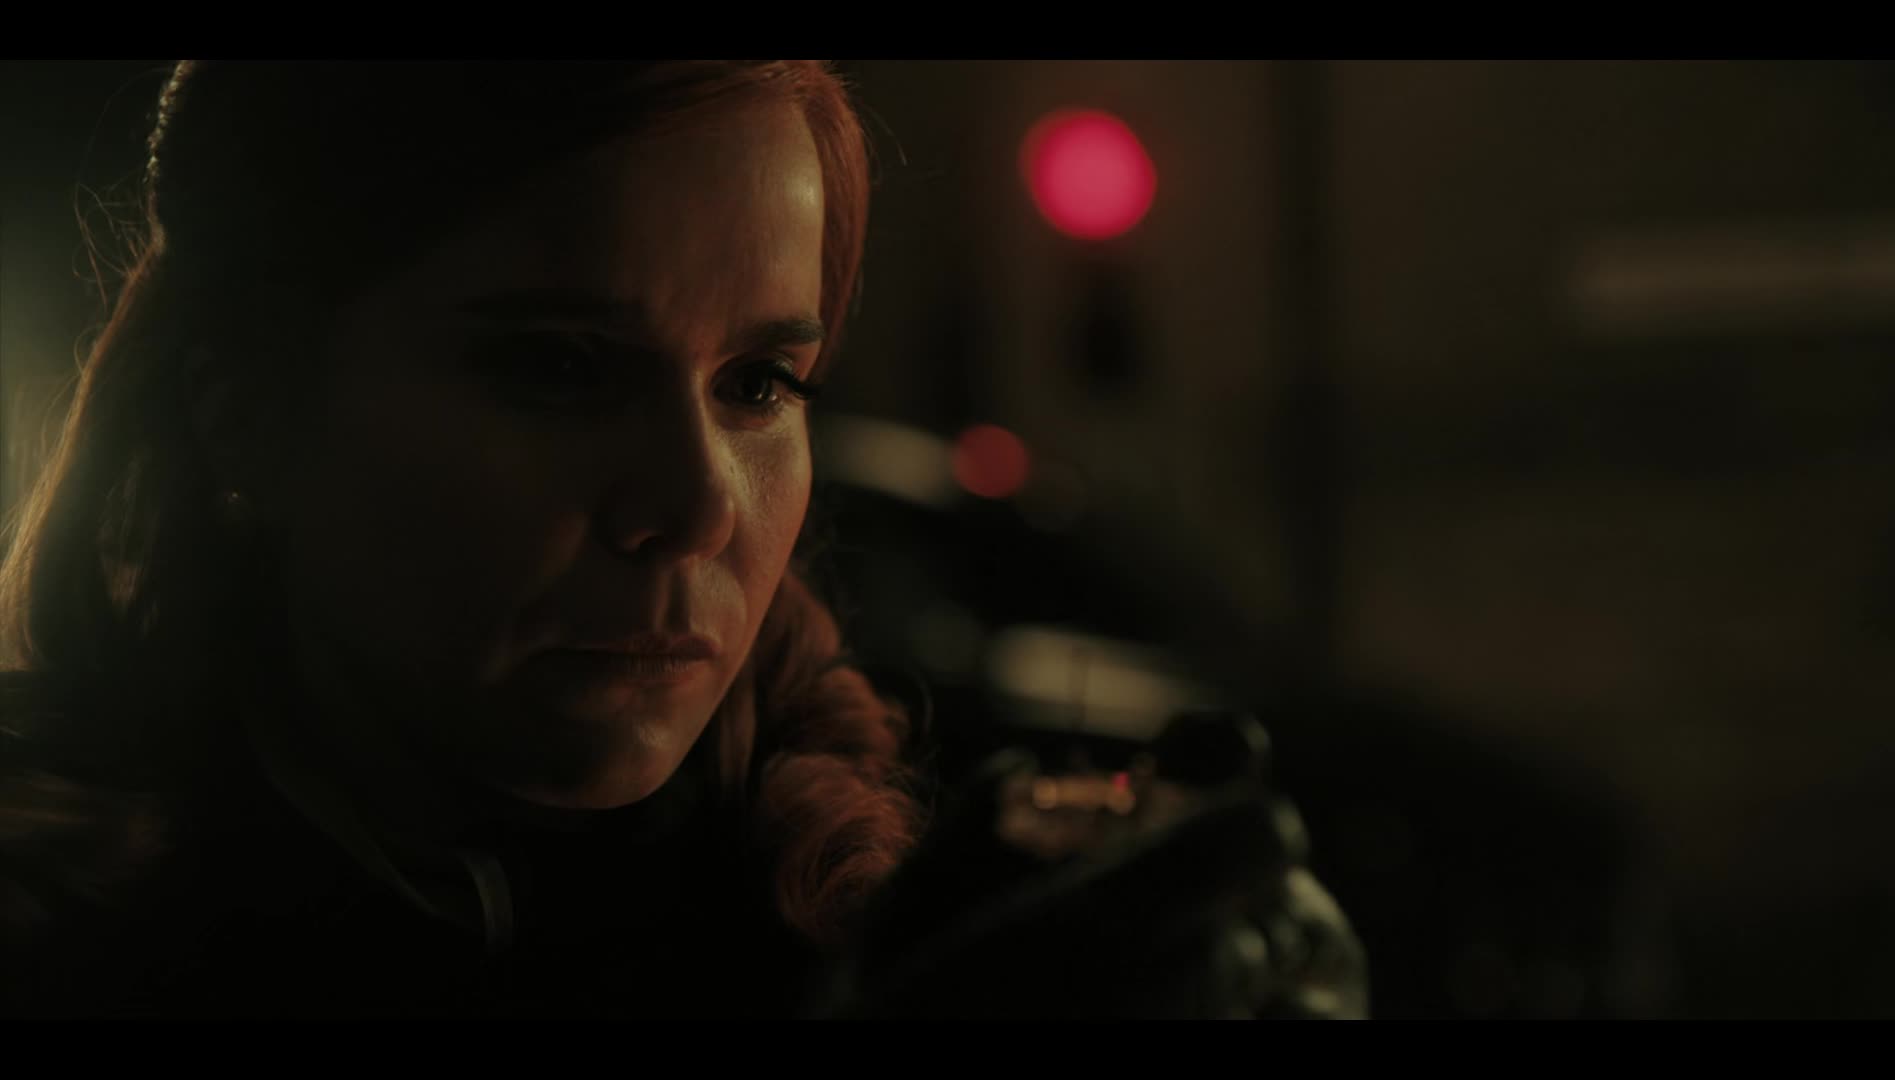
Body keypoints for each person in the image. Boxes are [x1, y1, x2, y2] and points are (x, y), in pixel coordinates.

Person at [0, 60, 1364, 1019]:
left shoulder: (844, 913)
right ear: (247, 410)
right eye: (557, 366)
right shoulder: (61, 940)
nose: (700, 504)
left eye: (759, 384)